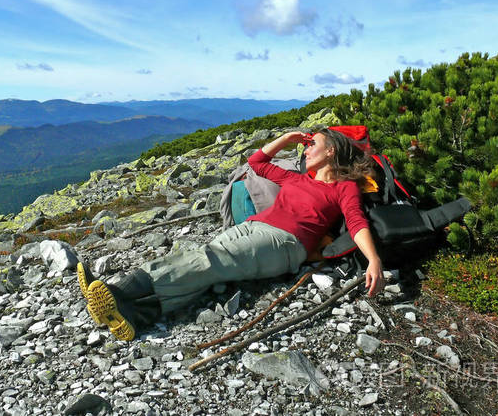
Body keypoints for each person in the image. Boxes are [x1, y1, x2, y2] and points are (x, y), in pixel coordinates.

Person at [77, 128, 385, 341]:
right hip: (255, 228)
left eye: (311, 144)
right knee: (209, 268)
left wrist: (373, 260)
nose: (305, 148)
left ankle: (119, 290)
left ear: (331, 151)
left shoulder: (342, 187)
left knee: (212, 258)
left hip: (284, 243)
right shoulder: (298, 178)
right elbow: (256, 163)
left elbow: (357, 223)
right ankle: (136, 315)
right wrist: (284, 139)